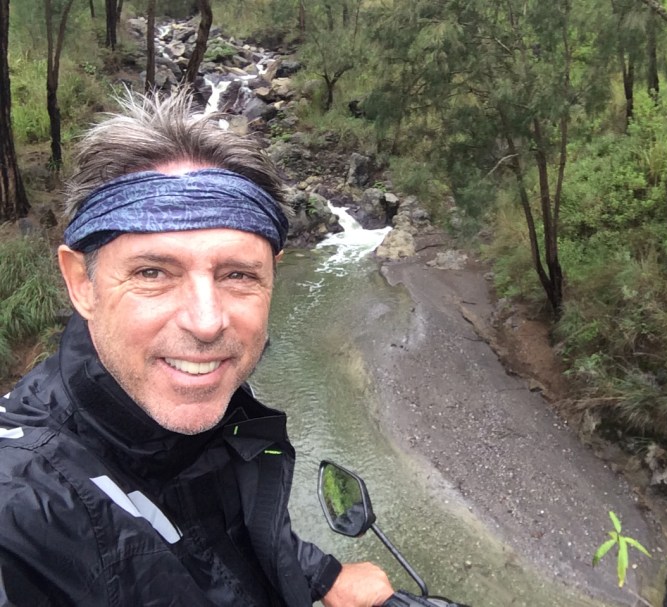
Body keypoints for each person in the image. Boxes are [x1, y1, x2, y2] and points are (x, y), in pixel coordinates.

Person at [0, 91, 395, 607]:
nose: (206, 323)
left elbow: (217, 531)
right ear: (81, 283)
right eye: (152, 272)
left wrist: (321, 574)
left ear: (272, 276)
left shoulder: (218, 417)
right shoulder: (19, 506)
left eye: (238, 275)